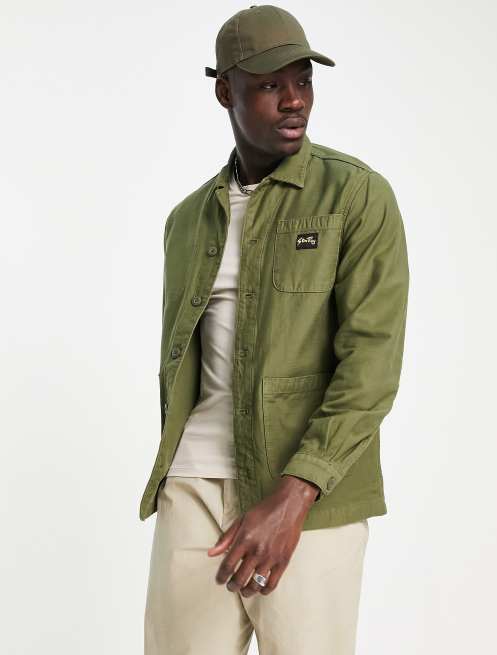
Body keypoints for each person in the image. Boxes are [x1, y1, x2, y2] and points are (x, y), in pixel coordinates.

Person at [141, 5, 409, 654]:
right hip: (195, 488)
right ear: (224, 92)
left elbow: (371, 364)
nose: (294, 101)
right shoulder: (187, 221)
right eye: (269, 85)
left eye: (303, 81)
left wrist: (295, 494)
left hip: (308, 499)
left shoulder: (355, 197)